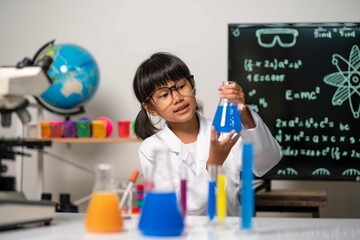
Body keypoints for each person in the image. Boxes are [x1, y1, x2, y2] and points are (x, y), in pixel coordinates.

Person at [132, 52, 282, 216]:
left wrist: (244, 113)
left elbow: (269, 160)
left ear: (192, 85)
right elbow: (179, 206)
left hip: (228, 232)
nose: (177, 98)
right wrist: (214, 165)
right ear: (150, 108)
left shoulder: (224, 131)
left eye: (181, 86)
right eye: (164, 95)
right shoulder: (152, 148)